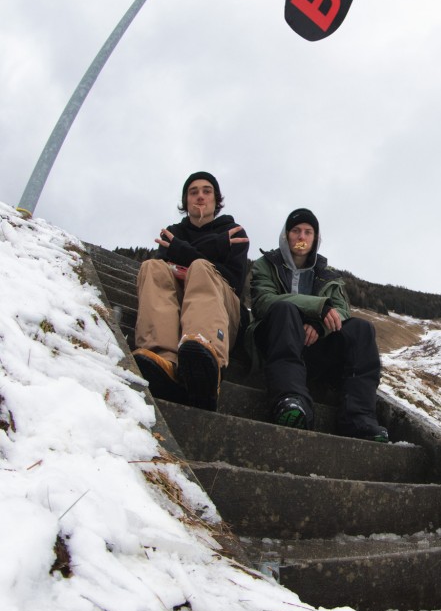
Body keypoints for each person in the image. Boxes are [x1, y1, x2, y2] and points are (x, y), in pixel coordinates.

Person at [248, 208, 388, 442]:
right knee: (285, 310)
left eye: (308, 232)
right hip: (273, 341)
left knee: (362, 329)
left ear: (315, 239)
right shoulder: (266, 265)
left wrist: (319, 325)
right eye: (295, 231)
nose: (301, 237)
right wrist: (317, 307)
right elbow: (264, 302)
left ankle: (359, 417)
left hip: (314, 348)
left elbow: (341, 310)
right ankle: (290, 400)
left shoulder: (328, 274)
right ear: (286, 236)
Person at [133, 172, 249, 411]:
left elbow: (233, 282)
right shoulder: (173, 232)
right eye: (193, 192)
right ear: (185, 201)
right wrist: (215, 249)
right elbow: (164, 269)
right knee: (152, 267)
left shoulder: (234, 232)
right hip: (179, 306)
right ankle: (164, 359)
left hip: (224, 313)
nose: (200, 197)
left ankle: (209, 361)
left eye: (207, 191)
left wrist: (185, 254)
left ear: (216, 200)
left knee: (200, 269)